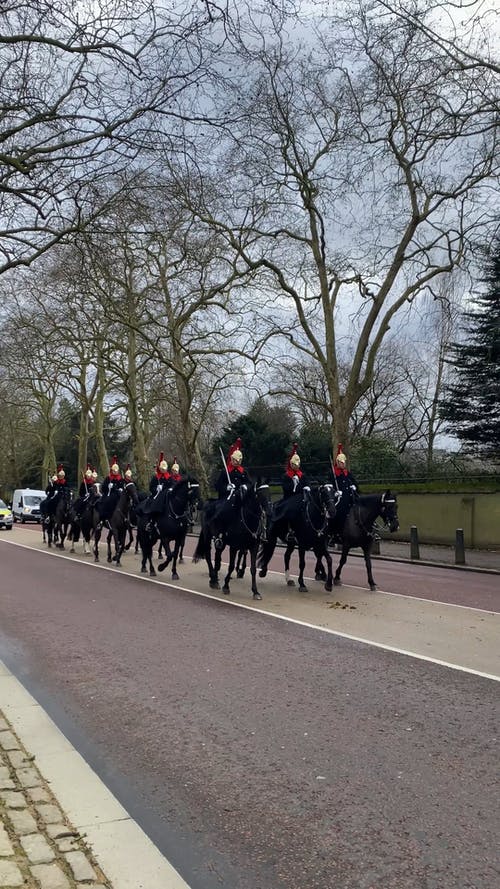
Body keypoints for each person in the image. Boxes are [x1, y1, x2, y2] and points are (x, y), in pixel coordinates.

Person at [212, 438, 253, 549]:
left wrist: (246, 486)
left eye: (239, 461)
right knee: (223, 511)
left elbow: (250, 483)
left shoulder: (243, 472)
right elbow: (217, 486)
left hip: (241, 496)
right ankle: (219, 535)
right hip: (227, 497)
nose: (237, 462)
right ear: (232, 459)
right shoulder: (225, 472)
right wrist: (227, 487)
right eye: (236, 460)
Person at [271, 444, 310, 543]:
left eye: (298, 465)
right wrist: (294, 484)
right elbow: (286, 488)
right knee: (290, 511)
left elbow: (307, 484)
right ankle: (290, 531)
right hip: (289, 498)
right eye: (294, 465)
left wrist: (307, 487)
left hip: (301, 498)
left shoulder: (303, 475)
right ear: (291, 464)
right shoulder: (286, 476)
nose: (296, 466)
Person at [329, 444, 359, 539]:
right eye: (341, 462)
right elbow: (329, 487)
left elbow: (355, 484)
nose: (343, 464)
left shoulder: (348, 474)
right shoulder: (333, 474)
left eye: (344, 462)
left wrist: (354, 487)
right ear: (337, 462)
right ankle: (334, 534)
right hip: (339, 500)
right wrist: (335, 492)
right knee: (337, 514)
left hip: (350, 499)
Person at [96, 456, 124, 522]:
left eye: (116, 471)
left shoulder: (120, 479)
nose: (115, 472)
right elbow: (103, 488)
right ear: (112, 470)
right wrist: (108, 486)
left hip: (118, 494)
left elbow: (122, 486)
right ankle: (104, 519)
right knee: (106, 502)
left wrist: (121, 489)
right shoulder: (108, 478)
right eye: (114, 471)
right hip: (109, 495)